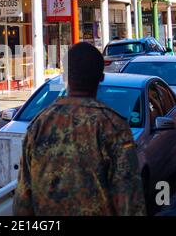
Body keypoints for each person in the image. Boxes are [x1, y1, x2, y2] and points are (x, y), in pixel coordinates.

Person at [13, 42, 146, 216]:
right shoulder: (113, 127)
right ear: (101, 77)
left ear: (65, 77)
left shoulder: (39, 125)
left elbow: (23, 199)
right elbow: (129, 200)